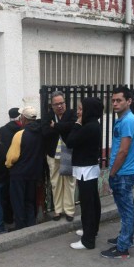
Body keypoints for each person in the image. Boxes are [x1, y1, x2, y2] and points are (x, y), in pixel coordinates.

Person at [100, 87, 134, 259]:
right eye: (113, 100)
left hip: (122, 173)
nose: (115, 103)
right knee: (128, 209)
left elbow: (123, 151)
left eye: (119, 100)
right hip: (123, 172)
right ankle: (126, 238)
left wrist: (112, 173)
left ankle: (122, 248)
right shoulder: (124, 119)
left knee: (126, 211)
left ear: (129, 101)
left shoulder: (128, 121)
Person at [65, 97, 104, 250]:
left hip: (86, 170)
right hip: (88, 168)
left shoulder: (88, 127)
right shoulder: (93, 124)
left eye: (81, 109)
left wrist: (76, 124)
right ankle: (91, 230)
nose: (78, 112)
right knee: (93, 201)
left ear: (89, 110)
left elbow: (70, 142)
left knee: (88, 204)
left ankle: (87, 240)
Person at [5, 106, 44, 230]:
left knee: (18, 202)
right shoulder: (41, 132)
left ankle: (20, 227)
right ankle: (31, 225)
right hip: (33, 174)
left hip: (19, 174)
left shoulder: (20, 134)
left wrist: (8, 165)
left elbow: (12, 157)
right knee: (29, 201)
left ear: (23, 118)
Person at [42, 91, 77, 222]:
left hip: (67, 152)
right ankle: (57, 210)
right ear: (52, 106)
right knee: (55, 183)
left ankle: (69, 211)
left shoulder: (72, 114)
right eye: (56, 104)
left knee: (69, 182)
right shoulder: (48, 116)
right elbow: (45, 132)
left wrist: (55, 126)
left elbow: (73, 126)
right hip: (52, 154)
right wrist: (62, 128)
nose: (59, 106)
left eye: (61, 103)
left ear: (65, 103)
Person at [0, 107, 22, 224]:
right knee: (19, 193)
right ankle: (20, 217)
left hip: (6, 165)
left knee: (6, 193)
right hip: (21, 165)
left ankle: (8, 218)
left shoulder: (2, 130)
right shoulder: (23, 129)